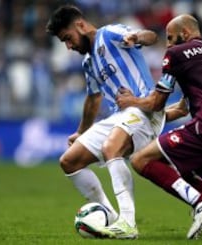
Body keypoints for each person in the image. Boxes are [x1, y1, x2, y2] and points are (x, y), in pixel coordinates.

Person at [116, 14, 202, 239]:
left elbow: (155, 103)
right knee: (176, 172)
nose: (168, 44)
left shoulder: (176, 54)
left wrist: (130, 101)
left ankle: (201, 202)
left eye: (171, 37)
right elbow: (182, 108)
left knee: (140, 160)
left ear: (187, 33)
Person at [45, 4, 177, 239]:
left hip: (143, 109)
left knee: (111, 147)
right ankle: (112, 217)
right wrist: (80, 132)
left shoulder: (110, 34)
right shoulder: (88, 62)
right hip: (120, 115)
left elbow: (151, 36)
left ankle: (128, 223)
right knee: (69, 161)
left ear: (81, 25)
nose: (68, 46)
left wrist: (136, 36)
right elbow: (93, 99)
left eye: (68, 38)